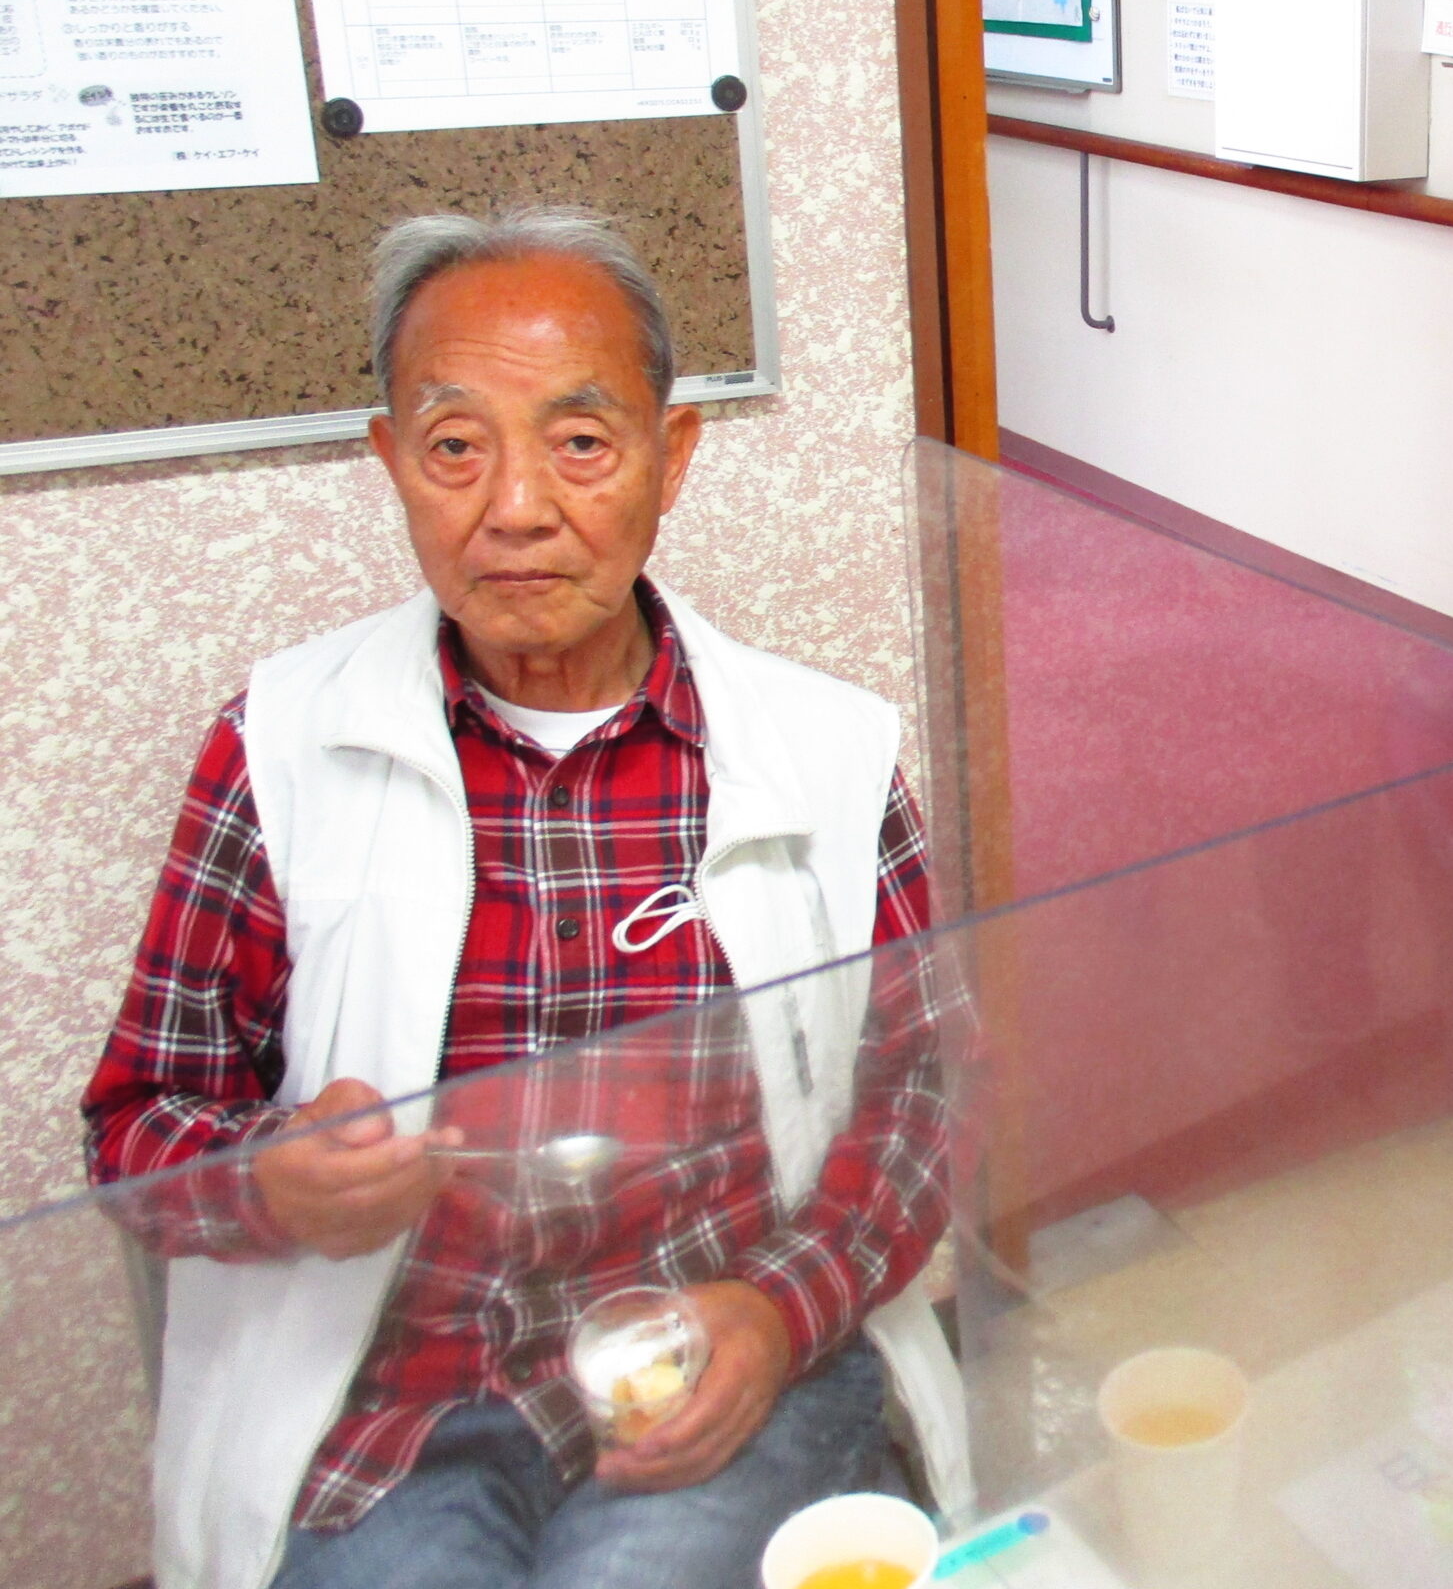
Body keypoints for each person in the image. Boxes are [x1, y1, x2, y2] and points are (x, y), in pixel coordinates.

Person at [84, 209, 970, 1589]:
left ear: (672, 456)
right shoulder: (277, 746)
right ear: (391, 461)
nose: (515, 507)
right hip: (403, 1412)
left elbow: (923, 1095)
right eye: (455, 446)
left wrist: (779, 1313)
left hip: (725, 1351)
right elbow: (138, 1128)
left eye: (581, 442)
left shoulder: (827, 749)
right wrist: (269, 1180)